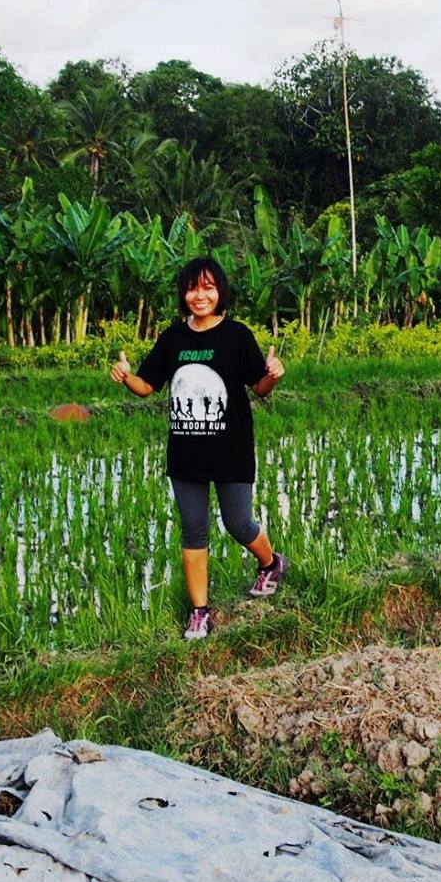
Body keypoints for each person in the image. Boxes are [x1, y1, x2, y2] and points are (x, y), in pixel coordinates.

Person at [111, 257, 287, 639]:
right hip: (186, 453)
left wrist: (272, 376)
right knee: (193, 530)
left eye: (208, 287)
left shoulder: (237, 336)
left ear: (220, 292)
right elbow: (148, 385)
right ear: (183, 294)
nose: (200, 295)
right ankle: (200, 612)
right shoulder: (173, 338)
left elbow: (259, 387)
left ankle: (271, 563)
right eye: (193, 288)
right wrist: (127, 378)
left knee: (237, 523)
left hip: (231, 448)